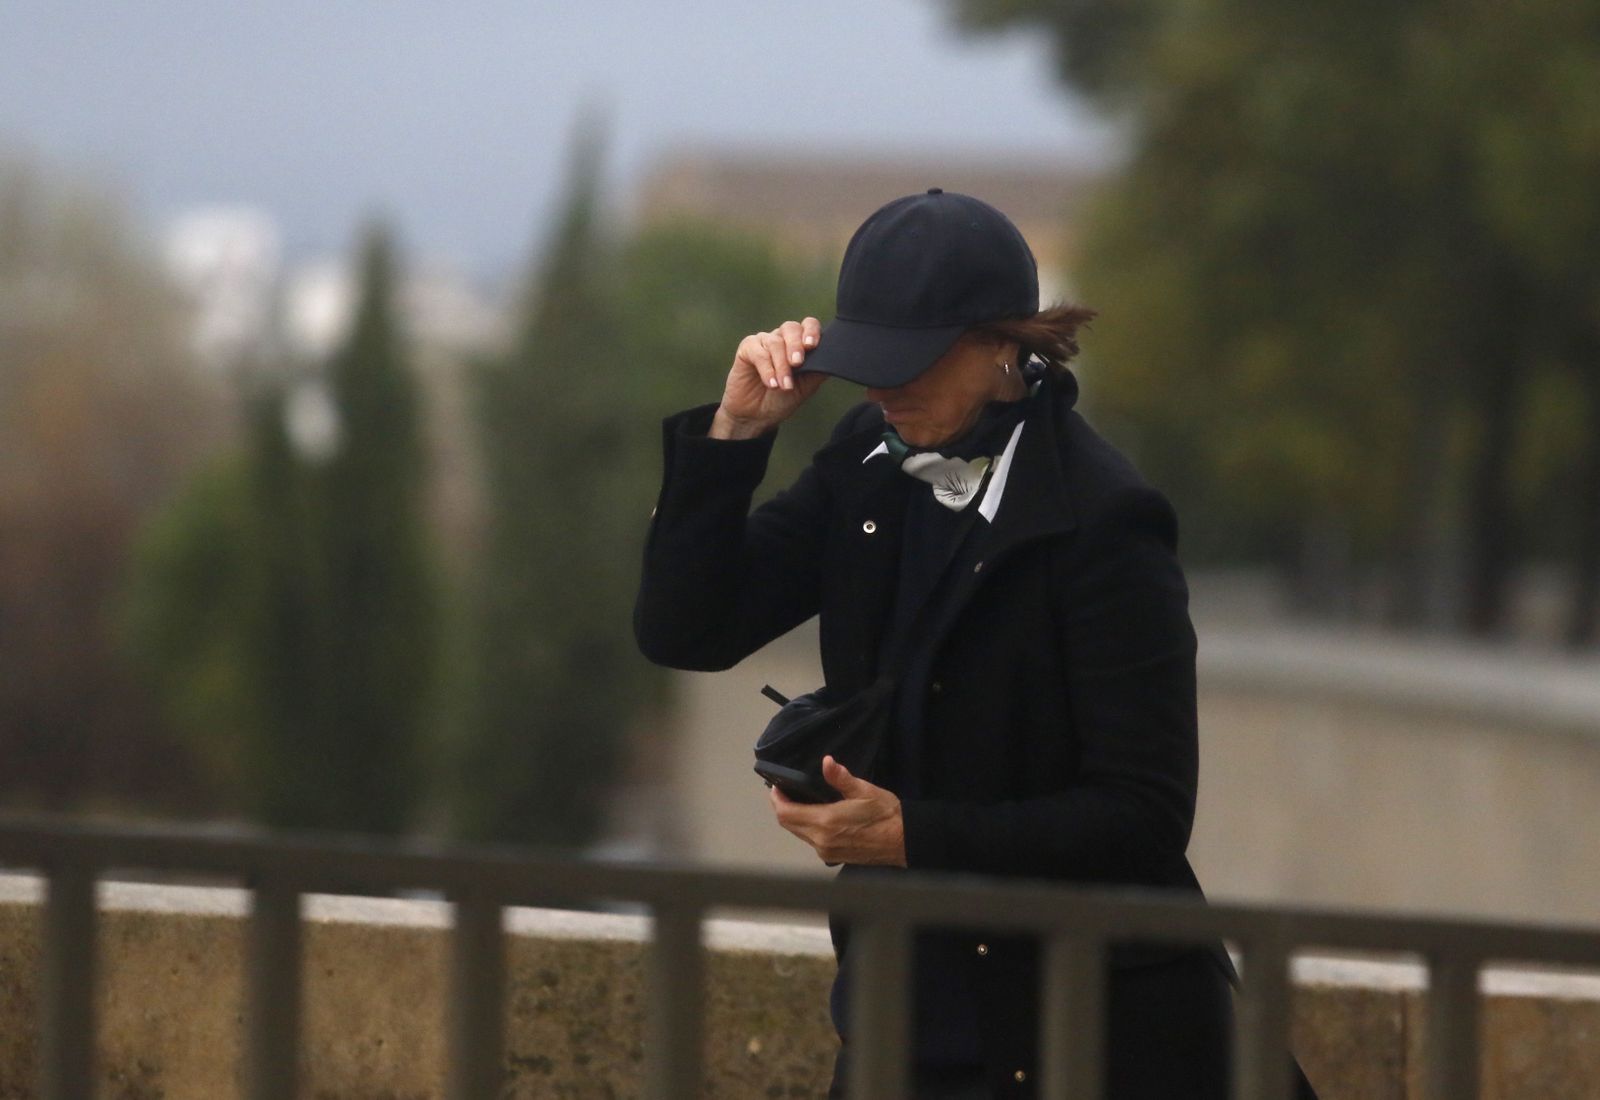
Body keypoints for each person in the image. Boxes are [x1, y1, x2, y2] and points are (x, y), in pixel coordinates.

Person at [634, 189, 1316, 1098]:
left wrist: (913, 835)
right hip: (897, 1013)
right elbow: (687, 628)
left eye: (907, 361)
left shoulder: (1105, 520)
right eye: (864, 360)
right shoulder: (867, 464)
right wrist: (738, 433)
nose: (880, 388)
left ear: (1004, 344)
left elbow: (1144, 816)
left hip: (1083, 1033)